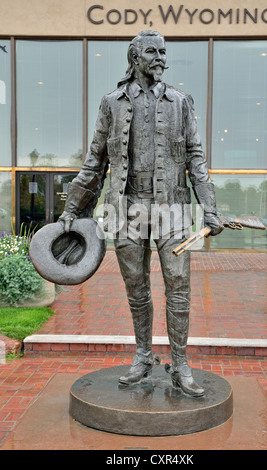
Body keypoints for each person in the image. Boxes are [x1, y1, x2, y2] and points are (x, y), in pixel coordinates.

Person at [59, 30, 223, 397]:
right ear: (134, 58)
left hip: (174, 210)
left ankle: (180, 364)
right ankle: (143, 355)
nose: (161, 57)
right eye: (152, 51)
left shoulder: (181, 102)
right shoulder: (111, 103)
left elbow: (197, 158)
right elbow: (94, 162)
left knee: (179, 288)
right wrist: (72, 208)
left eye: (164, 51)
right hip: (127, 208)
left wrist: (210, 209)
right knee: (137, 289)